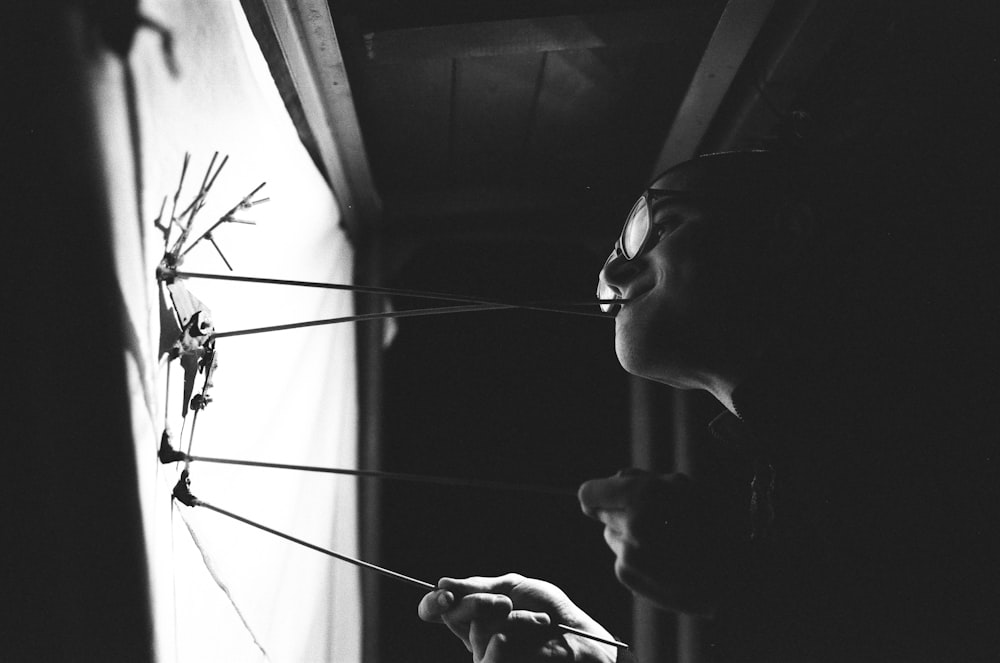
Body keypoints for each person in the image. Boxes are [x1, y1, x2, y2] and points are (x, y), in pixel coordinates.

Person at [418, 150, 998, 662]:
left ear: (780, 233)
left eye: (662, 226)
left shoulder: (941, 435)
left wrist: (749, 584)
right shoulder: (809, 460)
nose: (616, 273)